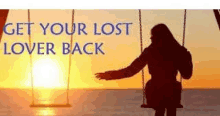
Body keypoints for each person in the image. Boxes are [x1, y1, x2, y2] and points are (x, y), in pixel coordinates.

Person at [95, 23, 193, 116]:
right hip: (170, 92)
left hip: (156, 90)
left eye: (153, 36)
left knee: (163, 99)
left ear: (160, 37)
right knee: (170, 95)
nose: (151, 38)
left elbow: (131, 71)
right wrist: (187, 58)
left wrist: (110, 75)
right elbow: (187, 75)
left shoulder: (151, 52)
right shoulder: (177, 51)